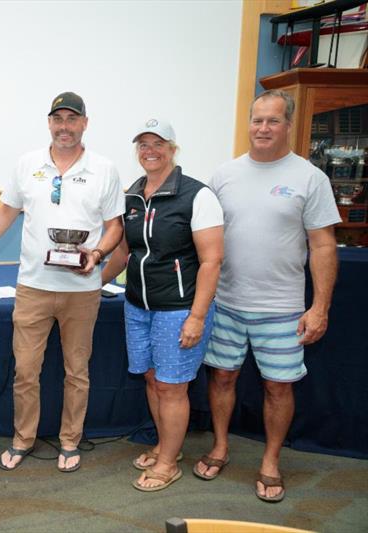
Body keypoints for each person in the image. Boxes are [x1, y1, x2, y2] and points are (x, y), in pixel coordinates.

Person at [194, 89, 340, 503]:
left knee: (278, 387)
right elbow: (204, 238)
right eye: (257, 120)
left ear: (288, 125)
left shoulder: (310, 177)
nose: (263, 128)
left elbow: (324, 246)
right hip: (225, 303)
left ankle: (271, 461)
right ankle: (221, 446)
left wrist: (320, 307)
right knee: (222, 377)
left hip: (281, 309)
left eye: (273, 120)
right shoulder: (223, 175)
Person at [0, 92, 124, 472]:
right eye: (57, 119)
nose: (64, 126)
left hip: (82, 290)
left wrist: (96, 255)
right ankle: (23, 439)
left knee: (76, 372)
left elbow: (115, 225)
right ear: (49, 123)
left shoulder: (104, 168)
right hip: (33, 287)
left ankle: (70, 441)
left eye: (72, 119)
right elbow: (4, 215)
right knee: (25, 371)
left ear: (84, 123)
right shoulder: (27, 164)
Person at [101, 119, 224, 492]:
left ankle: (168, 462)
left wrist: (197, 316)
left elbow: (211, 261)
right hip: (137, 305)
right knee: (153, 380)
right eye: (142, 144)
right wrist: (94, 284)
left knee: (172, 387)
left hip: (179, 308)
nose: (149, 150)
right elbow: (124, 251)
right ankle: (164, 446)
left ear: (173, 148)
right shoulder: (133, 195)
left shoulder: (197, 195)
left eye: (158, 143)